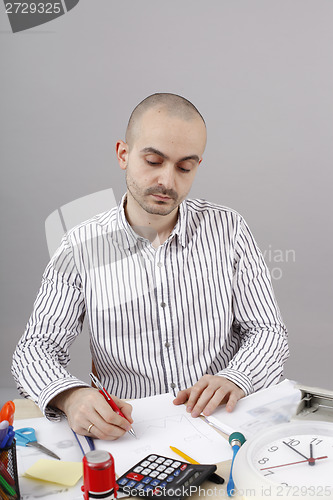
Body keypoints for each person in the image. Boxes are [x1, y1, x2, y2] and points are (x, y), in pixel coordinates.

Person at [12, 93, 289, 442]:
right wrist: (71, 396)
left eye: (184, 167)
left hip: (223, 423)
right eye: (154, 160)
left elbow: (268, 331)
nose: (168, 182)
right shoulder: (79, 247)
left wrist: (237, 377)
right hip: (129, 431)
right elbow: (35, 349)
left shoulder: (229, 229)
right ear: (123, 155)